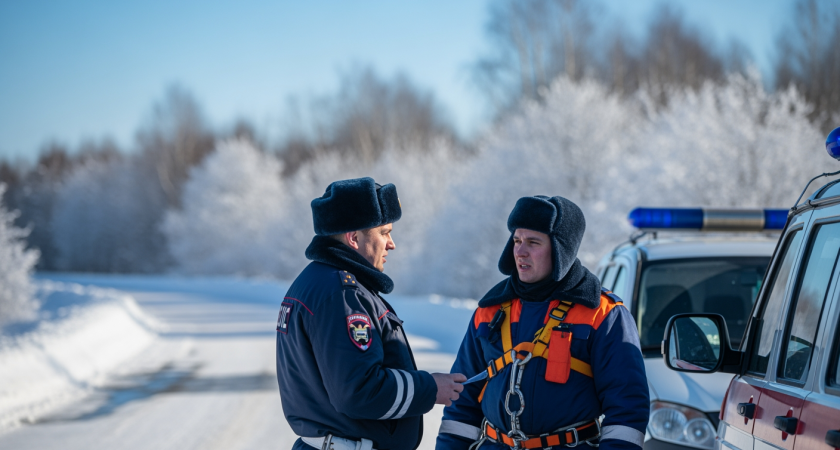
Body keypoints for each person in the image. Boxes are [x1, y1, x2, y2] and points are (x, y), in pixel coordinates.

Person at [436, 195, 649, 450]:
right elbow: (461, 404)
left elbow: (627, 407)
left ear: (561, 250)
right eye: (516, 240)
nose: (520, 251)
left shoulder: (602, 314)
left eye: (533, 242)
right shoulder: (489, 311)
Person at [276, 177, 466, 450]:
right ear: (354, 238)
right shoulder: (342, 293)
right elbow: (359, 391)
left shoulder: (314, 281)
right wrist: (431, 387)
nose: (391, 244)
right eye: (384, 232)